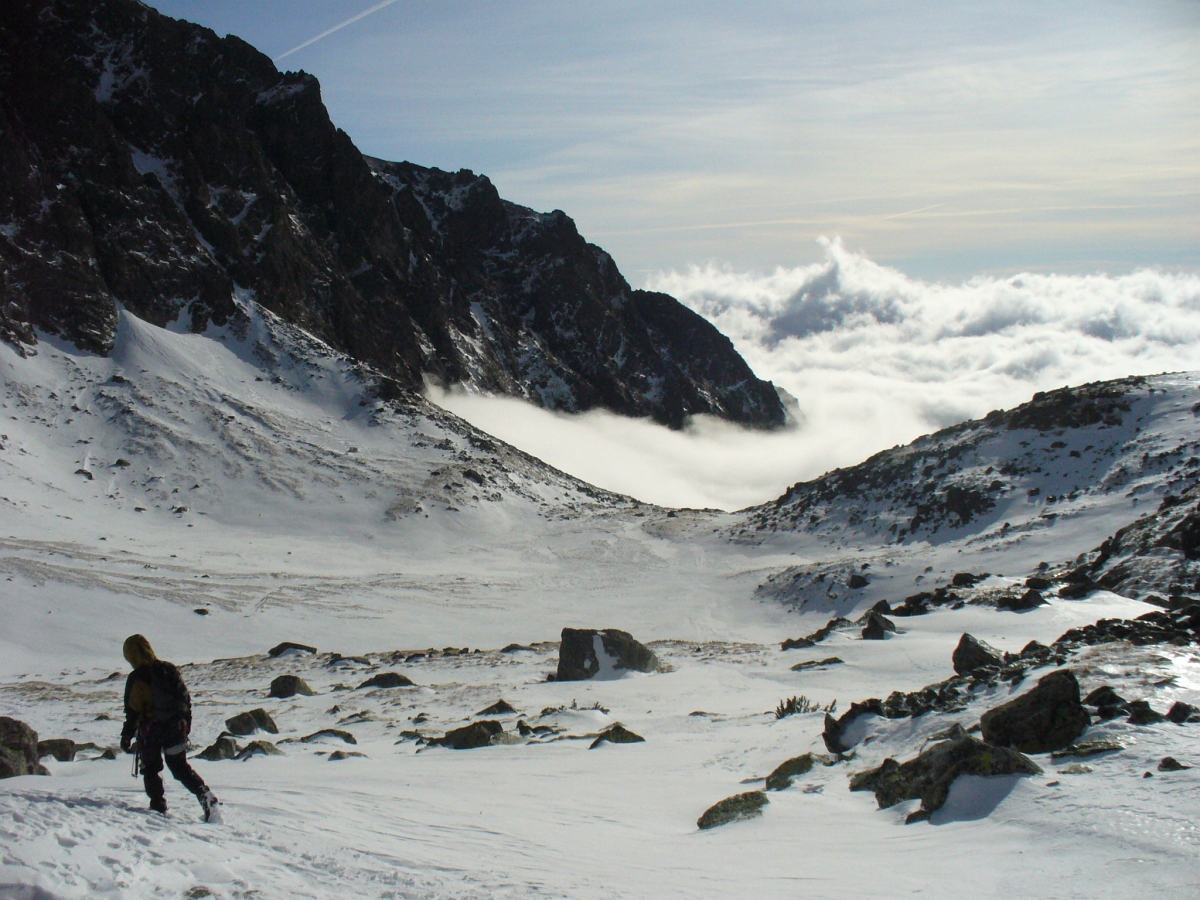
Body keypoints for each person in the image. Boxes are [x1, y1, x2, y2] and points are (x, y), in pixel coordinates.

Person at [120, 634, 219, 820]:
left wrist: (127, 737)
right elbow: (185, 699)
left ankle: (158, 807)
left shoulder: (136, 678)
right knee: (180, 767)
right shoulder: (168, 669)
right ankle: (205, 795)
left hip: (150, 732)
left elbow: (133, 712)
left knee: (151, 768)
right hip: (174, 728)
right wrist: (185, 726)